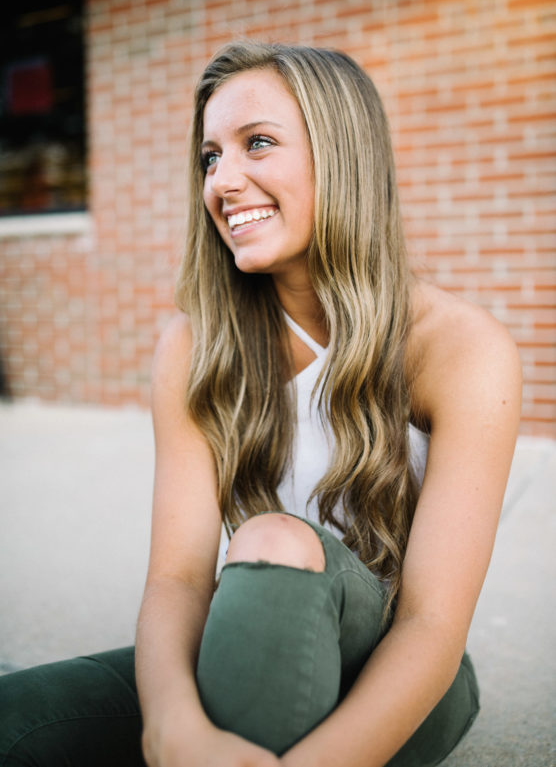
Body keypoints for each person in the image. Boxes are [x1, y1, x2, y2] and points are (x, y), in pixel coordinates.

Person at [0, 42, 521, 767]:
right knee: (17, 719)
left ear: (343, 156)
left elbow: (431, 625)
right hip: (246, 639)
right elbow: (179, 579)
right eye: (211, 156)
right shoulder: (194, 344)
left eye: (259, 144)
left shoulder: (461, 348)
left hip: (401, 682)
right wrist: (172, 727)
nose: (224, 180)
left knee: (272, 541)